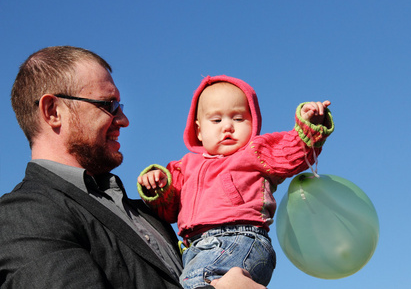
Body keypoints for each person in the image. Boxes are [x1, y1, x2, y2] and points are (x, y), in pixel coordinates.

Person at [0, 46, 266, 289]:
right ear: (53, 111)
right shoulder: (22, 215)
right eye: (109, 105)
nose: (124, 120)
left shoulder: (146, 213)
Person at [137, 75, 335, 288]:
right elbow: (168, 210)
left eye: (238, 119)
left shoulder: (255, 152)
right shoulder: (184, 166)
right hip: (194, 248)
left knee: (198, 281)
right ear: (199, 130)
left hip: (240, 238)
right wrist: (157, 186)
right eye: (216, 120)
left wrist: (310, 126)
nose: (227, 127)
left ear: (253, 122)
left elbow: (291, 153)